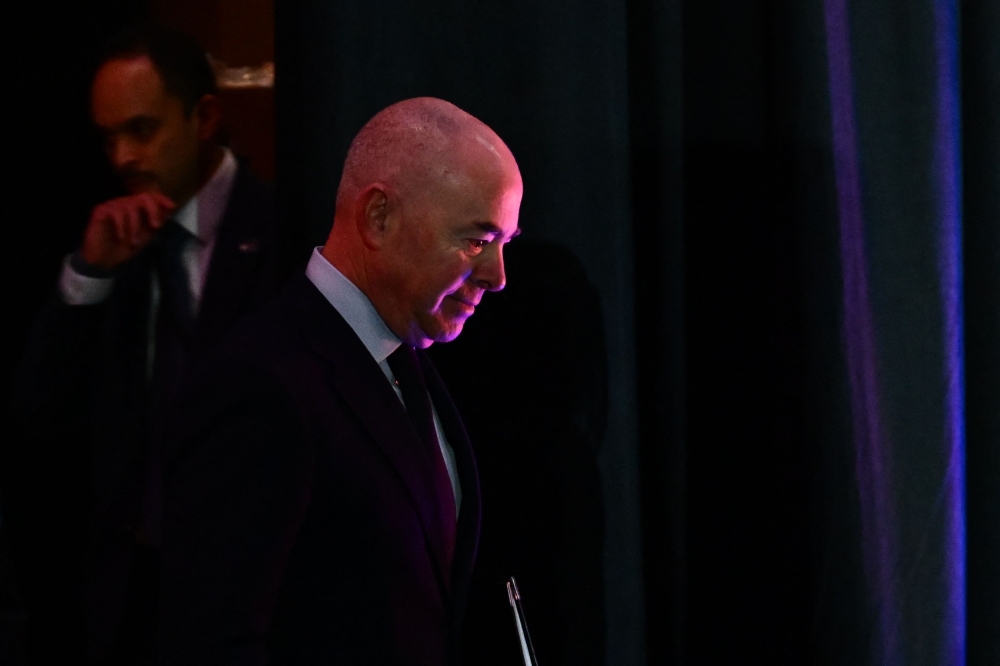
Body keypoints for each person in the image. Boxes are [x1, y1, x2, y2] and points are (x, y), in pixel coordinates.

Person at [158, 96, 522, 665]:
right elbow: (211, 640)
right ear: (378, 217)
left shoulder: (412, 362)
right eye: (477, 240)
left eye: (505, 243)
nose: (498, 276)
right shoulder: (259, 384)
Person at [11, 23, 279, 665]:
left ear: (204, 116)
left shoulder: (280, 232)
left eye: (142, 129)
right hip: (129, 590)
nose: (124, 158)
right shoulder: (120, 238)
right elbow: (39, 414)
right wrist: (89, 275)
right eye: (109, 139)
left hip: (246, 589)